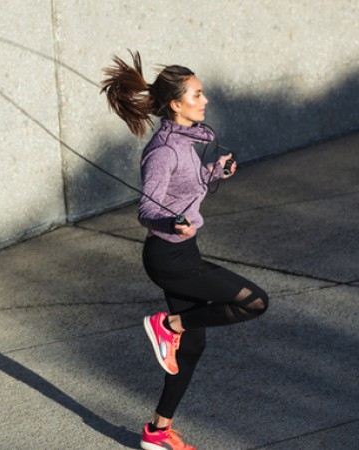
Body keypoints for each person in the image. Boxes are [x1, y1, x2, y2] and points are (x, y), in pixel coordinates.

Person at [100, 51, 268, 450]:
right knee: (255, 301)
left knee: (193, 346)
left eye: (202, 92)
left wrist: (214, 173)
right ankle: (166, 325)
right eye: (197, 94)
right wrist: (169, 222)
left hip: (184, 253)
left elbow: (185, 189)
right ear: (176, 104)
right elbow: (148, 209)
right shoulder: (163, 151)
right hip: (169, 259)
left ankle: (157, 432)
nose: (205, 100)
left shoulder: (185, 143)